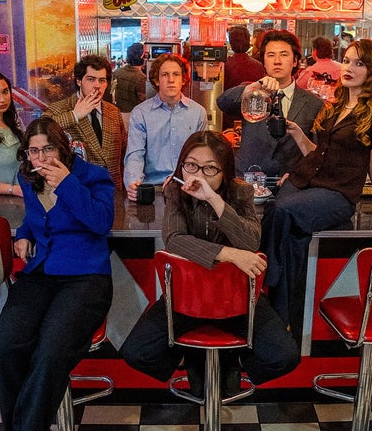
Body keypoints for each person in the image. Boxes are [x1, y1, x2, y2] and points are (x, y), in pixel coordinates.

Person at [120, 130, 300, 398]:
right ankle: (188, 355)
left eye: (210, 168)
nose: (199, 175)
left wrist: (214, 200)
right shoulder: (175, 190)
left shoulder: (241, 192)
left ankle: (235, 360)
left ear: (225, 171)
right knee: (137, 352)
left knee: (284, 356)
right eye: (191, 165)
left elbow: (250, 241)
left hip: (236, 297)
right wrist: (230, 254)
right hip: (186, 297)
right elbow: (174, 239)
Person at [261, 39, 372, 330]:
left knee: (283, 212)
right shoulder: (334, 106)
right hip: (306, 179)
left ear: (371, 70)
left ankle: (267, 280)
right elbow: (319, 153)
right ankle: (282, 315)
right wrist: (297, 134)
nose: (348, 68)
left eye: (358, 63)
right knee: (291, 234)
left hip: (338, 193)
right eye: (346, 61)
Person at [0, 117, 114, 431]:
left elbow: (101, 222)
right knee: (4, 350)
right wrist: (24, 234)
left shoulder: (93, 176)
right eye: (34, 151)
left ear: (63, 148)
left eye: (48, 149)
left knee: (49, 354)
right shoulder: (28, 178)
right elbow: (36, 218)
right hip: (41, 273)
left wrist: (67, 183)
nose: (41, 158)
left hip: (86, 277)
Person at [217, 29, 324, 178]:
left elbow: (318, 152)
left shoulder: (313, 104)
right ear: (263, 62)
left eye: (284, 55)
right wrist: (254, 88)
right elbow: (223, 102)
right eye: (271, 55)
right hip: (248, 180)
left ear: (295, 61)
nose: (277, 61)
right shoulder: (253, 92)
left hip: (291, 182)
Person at [123, 53, 207, 201]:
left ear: (183, 79)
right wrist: (133, 183)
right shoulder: (141, 113)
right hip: (152, 190)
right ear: (156, 80)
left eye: (176, 74)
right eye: (165, 75)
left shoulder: (198, 113)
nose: (171, 80)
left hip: (187, 189)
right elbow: (135, 154)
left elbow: (201, 156)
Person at [45, 55, 127, 191]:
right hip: (78, 190)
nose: (97, 85)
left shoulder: (113, 112)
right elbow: (41, 131)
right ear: (79, 81)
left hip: (112, 191)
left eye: (102, 80)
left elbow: (123, 153)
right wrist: (75, 115)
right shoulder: (60, 109)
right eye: (91, 79)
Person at [112, 43, 147, 126]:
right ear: (142, 57)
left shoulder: (117, 72)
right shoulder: (142, 78)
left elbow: (111, 92)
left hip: (117, 115)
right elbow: (143, 101)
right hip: (134, 117)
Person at [224, 26, 265, 91]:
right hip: (252, 96)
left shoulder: (225, 65)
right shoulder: (258, 66)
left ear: (231, 43)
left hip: (229, 97)